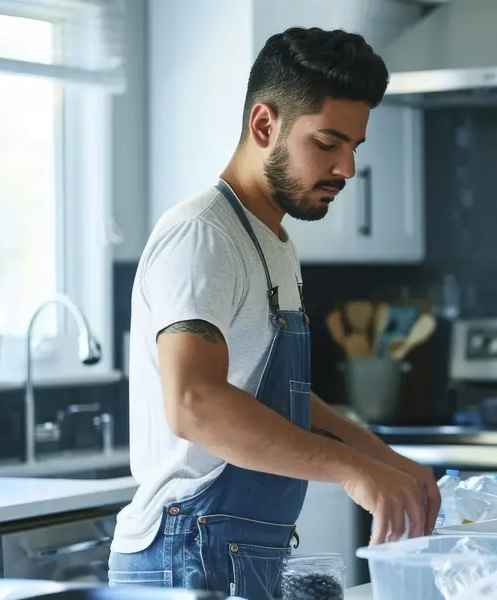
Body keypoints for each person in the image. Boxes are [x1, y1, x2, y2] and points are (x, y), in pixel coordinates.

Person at [107, 26, 439, 596]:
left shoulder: (272, 241)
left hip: (228, 552)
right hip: (184, 554)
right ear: (265, 125)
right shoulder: (203, 236)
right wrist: (353, 470)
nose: (347, 169)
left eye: (354, 148)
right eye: (328, 143)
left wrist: (385, 458)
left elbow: (274, 396)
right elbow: (195, 403)